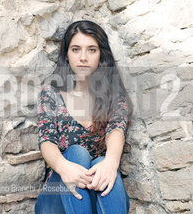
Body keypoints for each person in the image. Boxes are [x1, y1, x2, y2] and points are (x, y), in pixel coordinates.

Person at [35, 20, 131, 214]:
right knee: (77, 153)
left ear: (101, 54)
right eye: (76, 49)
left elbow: (116, 129)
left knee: (101, 163)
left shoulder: (113, 93)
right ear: (67, 54)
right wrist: (64, 168)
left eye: (92, 50)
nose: (83, 57)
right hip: (57, 199)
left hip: (98, 197)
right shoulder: (51, 92)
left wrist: (111, 164)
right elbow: (47, 141)